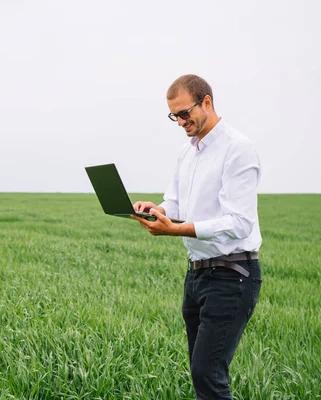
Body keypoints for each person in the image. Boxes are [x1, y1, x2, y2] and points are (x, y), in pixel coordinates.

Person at [132, 74, 262, 399]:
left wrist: (175, 229)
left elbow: (239, 222)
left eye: (184, 113)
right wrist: (157, 210)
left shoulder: (238, 149)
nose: (180, 122)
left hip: (233, 276)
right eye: (174, 116)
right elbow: (175, 202)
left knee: (207, 372)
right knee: (201, 372)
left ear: (207, 102)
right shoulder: (186, 153)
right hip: (196, 275)